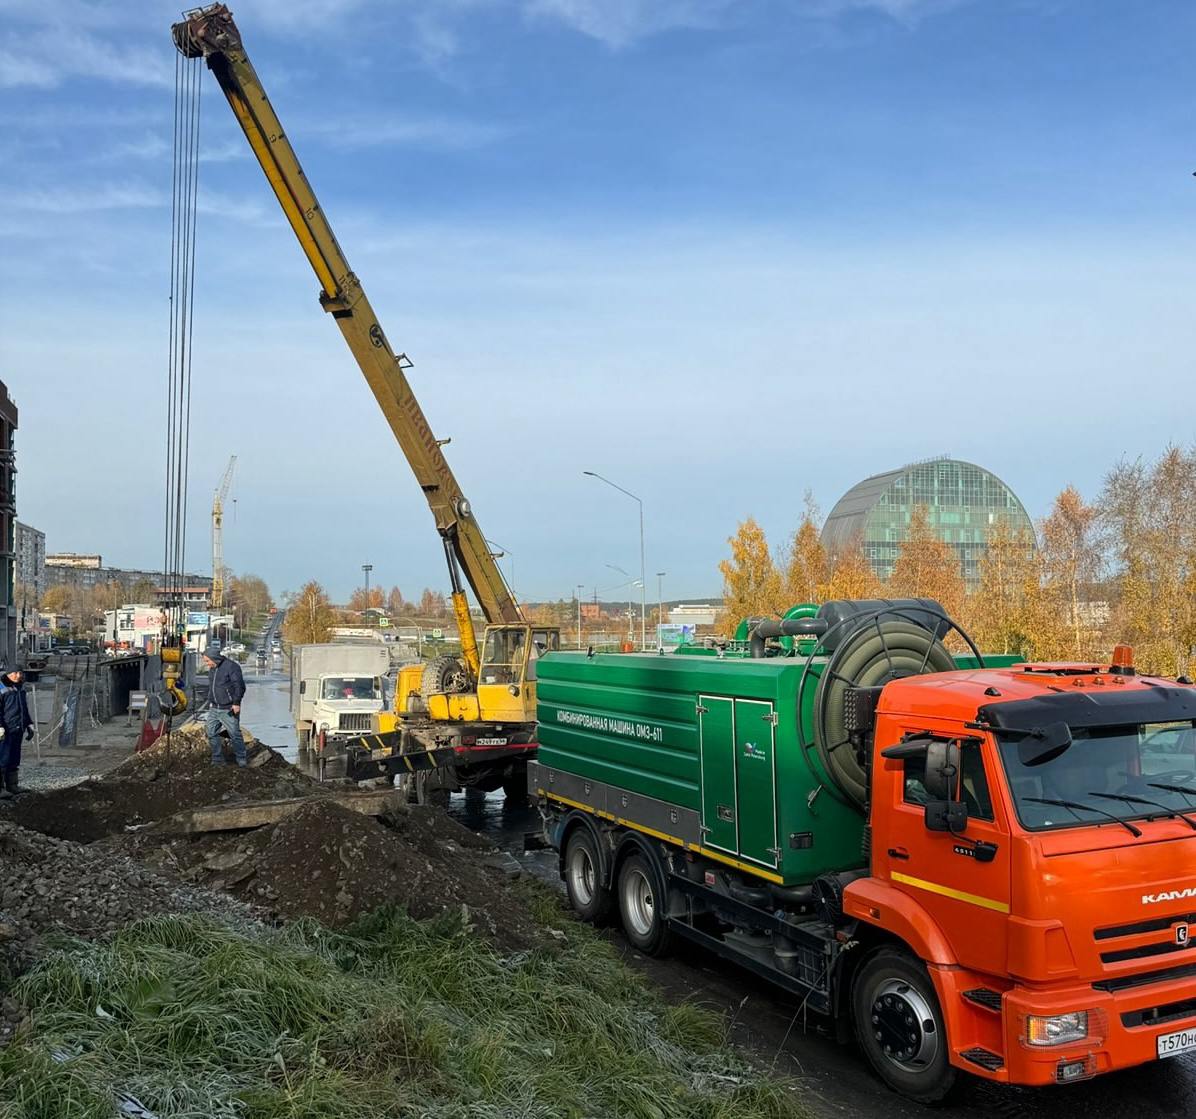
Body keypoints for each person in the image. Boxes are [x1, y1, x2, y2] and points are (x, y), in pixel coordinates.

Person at [202, 644, 247, 767]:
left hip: (228, 708)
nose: (207, 664)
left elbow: (240, 686)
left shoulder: (232, 667)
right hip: (214, 707)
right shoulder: (213, 668)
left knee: (234, 734)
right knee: (211, 732)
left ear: (214, 658)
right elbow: (213, 687)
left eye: (207, 661)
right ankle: (218, 759)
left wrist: (236, 703)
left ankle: (241, 759)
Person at [0, 666, 35, 797]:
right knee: (2, 758)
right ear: (9, 674)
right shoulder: (1, 688)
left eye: (20, 673)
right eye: (16, 673)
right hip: (5, 730)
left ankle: (12, 785)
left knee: (14, 758)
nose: (19, 675)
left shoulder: (20, 689)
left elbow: (23, 709)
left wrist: (29, 724)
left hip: (17, 728)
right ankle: (0, 788)